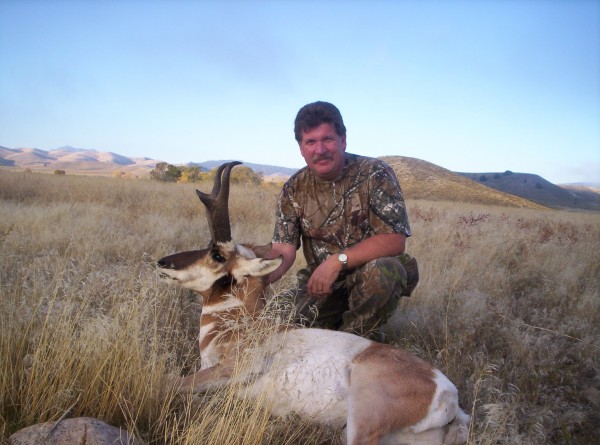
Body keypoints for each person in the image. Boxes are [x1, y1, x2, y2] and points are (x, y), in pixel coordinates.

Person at [267, 101, 418, 339]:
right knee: (275, 321)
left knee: (383, 271)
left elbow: (394, 240)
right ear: (301, 148)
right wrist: (256, 279)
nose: (320, 149)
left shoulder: (375, 173)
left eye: (327, 139)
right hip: (322, 283)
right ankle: (334, 329)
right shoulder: (293, 189)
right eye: (310, 142)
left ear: (343, 140)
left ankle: (357, 342)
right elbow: (283, 249)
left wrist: (337, 261)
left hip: (368, 273)